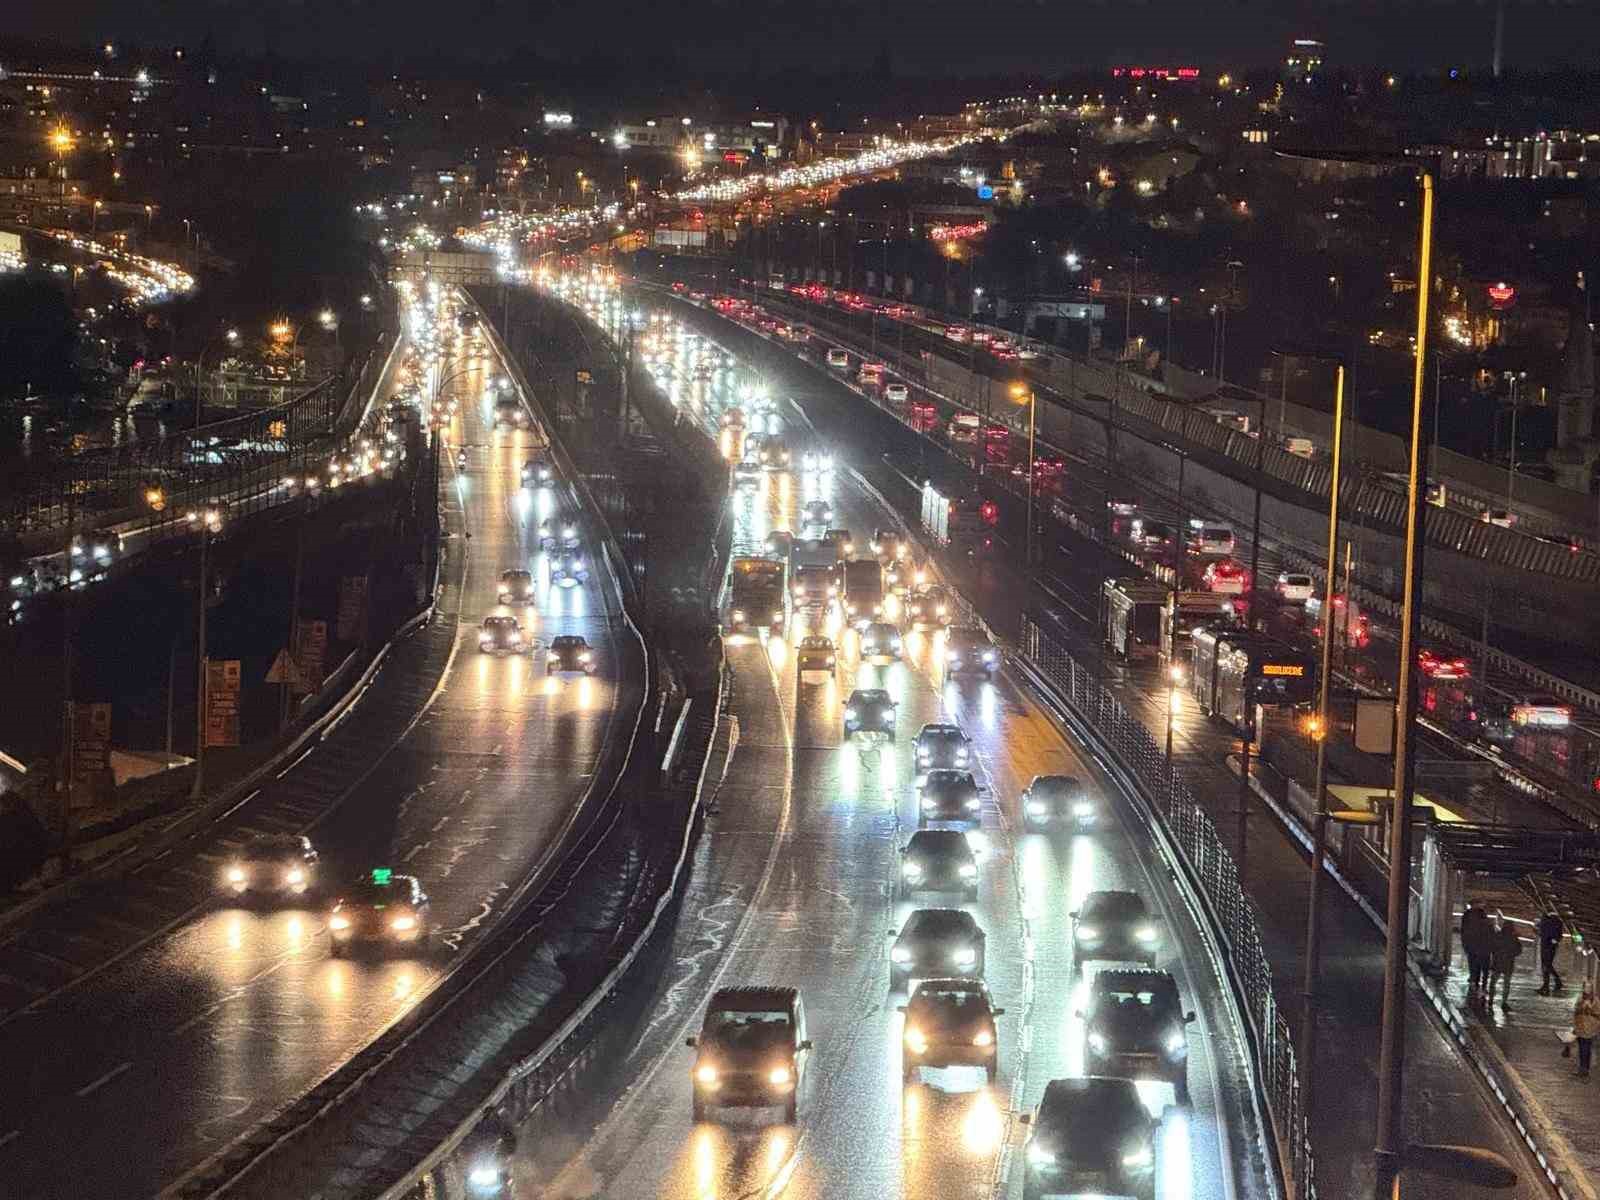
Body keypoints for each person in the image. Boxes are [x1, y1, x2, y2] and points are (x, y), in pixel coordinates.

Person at [1489, 913, 1523, 1009]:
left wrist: (1495, 955)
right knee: (1506, 984)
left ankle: (1490, 999)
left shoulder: (1498, 935)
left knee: (1493, 982)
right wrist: (1511, 954)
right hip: (1508, 963)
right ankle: (1504, 1002)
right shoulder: (1513, 938)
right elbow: (1519, 950)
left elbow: (1491, 947)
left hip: (1497, 962)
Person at [1461, 903, 1491, 1003]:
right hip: (1484, 949)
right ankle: (1483, 986)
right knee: (1484, 969)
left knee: (1474, 965)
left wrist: (1465, 945)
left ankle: (1475, 982)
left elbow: (1464, 932)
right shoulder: (1486, 923)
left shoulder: (1468, 919)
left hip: (1473, 947)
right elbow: (1491, 936)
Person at [1574, 985, 1600, 1079]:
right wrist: (1582, 1007)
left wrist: (1590, 1009)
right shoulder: (1580, 999)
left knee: (1585, 1048)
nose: (1586, 994)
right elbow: (1576, 1011)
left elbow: (1598, 1015)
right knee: (1583, 1048)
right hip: (1581, 1028)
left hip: (1590, 1029)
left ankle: (1584, 1069)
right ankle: (1584, 1068)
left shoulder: (1595, 1001)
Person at [1537, 910, 1565, 994]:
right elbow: (1558, 935)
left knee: (1546, 965)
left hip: (1545, 945)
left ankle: (1549, 984)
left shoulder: (1546, 921)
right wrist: (1555, 940)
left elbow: (1541, 933)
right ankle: (1550, 984)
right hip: (1551, 946)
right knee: (1547, 965)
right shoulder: (1557, 922)